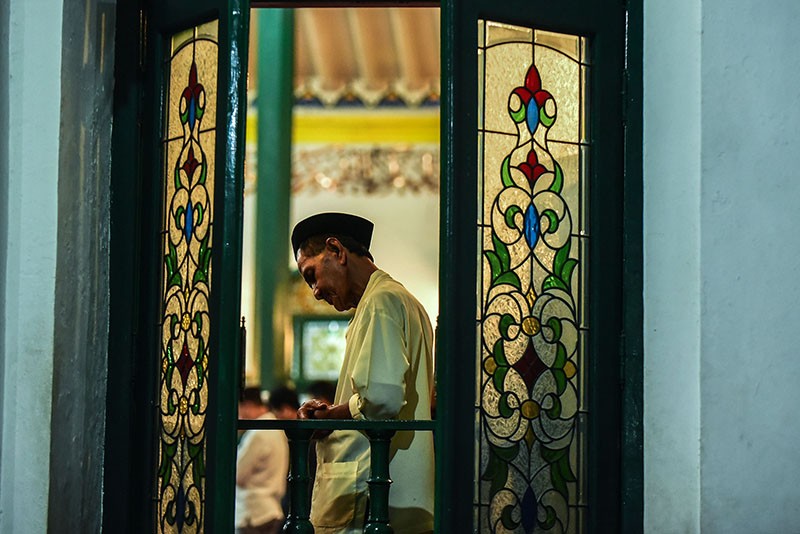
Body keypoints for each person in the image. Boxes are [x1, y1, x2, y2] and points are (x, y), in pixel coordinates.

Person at [291, 212, 435, 534]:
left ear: (337, 251)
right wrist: (335, 411)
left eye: (311, 274)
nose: (315, 292)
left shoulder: (381, 301)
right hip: (402, 498)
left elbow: (381, 399)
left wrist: (330, 418)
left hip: (376, 499)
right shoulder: (402, 300)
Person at [235, 387, 290, 534]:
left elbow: (238, 475)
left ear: (247, 406)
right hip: (270, 509)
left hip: (254, 513)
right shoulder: (275, 427)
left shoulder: (257, 433)